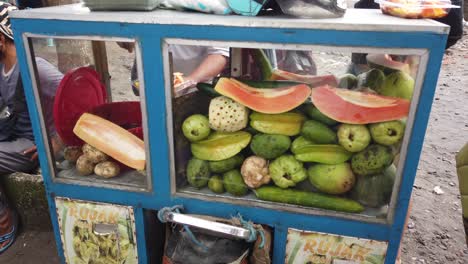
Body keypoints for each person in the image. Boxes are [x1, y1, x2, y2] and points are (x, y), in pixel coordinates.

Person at [0, 2, 63, 253]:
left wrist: (54, 141)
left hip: (28, 144)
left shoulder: (36, 68)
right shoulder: (2, 67)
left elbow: (78, 99)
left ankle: (4, 222)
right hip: (9, 132)